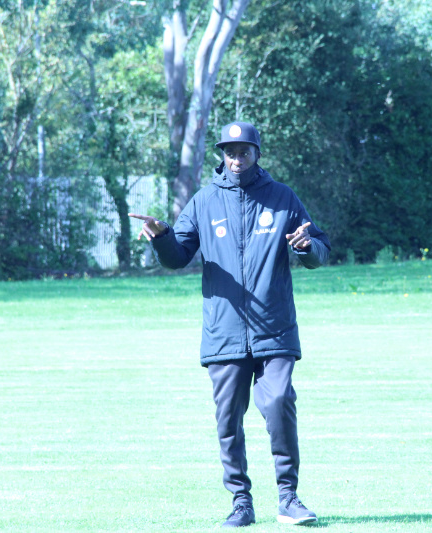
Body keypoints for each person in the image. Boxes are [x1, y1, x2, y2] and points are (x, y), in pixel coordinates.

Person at [129, 121, 329, 528]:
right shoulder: (204, 201)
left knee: (276, 402)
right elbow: (177, 256)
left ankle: (288, 499)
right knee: (227, 419)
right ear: (222, 155)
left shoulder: (282, 198)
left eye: (244, 151)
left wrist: (308, 247)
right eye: (230, 152)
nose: (237, 159)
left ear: (257, 153)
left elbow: (319, 248)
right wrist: (160, 236)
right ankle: (241, 502)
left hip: (274, 328)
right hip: (225, 333)